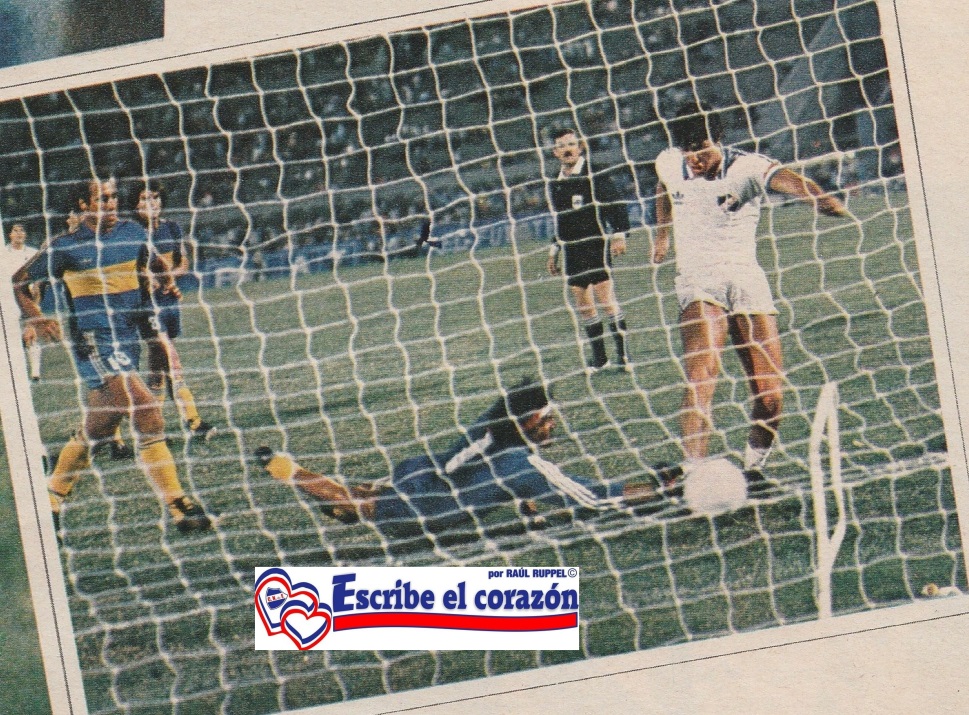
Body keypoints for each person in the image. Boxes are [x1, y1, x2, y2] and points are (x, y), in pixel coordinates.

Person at [652, 103, 850, 494]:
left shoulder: (746, 167)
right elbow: (663, 187)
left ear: (719, 140)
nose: (694, 157)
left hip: (746, 280)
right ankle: (692, 472)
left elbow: (790, 181)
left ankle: (754, 469)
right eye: (688, 149)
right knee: (702, 374)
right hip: (698, 281)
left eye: (702, 147)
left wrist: (821, 200)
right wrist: (661, 236)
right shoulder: (669, 162)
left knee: (770, 395)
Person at [13, 177, 212, 535]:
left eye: (114, 196)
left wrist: (166, 281)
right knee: (146, 408)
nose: (111, 203)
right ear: (83, 204)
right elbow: (19, 282)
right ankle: (178, 504)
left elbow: (153, 261)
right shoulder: (66, 246)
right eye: (102, 198)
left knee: (101, 426)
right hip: (93, 341)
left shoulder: (132, 233)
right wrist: (37, 318)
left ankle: (52, 497)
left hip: (127, 337)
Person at [255, 379, 659, 542]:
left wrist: (530, 509)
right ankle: (286, 469)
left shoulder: (498, 435)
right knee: (353, 500)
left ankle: (305, 478)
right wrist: (661, 489)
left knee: (359, 496)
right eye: (546, 418)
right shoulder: (515, 459)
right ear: (524, 422)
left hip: (420, 473)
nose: (553, 424)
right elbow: (592, 497)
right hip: (426, 506)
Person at [133, 181, 215, 443]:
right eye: (144, 198)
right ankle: (194, 421)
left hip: (169, 302)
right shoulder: (132, 233)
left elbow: (183, 262)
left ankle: (151, 429)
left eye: (155, 197)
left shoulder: (172, 228)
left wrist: (169, 279)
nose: (151, 203)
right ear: (135, 205)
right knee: (171, 359)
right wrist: (149, 280)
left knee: (158, 368)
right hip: (147, 304)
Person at [547, 128, 631, 372]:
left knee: (606, 300)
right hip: (572, 248)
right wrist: (554, 250)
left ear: (580, 147)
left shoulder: (594, 173)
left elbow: (616, 204)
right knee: (583, 304)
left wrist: (619, 235)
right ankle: (600, 360)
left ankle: (624, 356)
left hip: (596, 243)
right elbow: (561, 220)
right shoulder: (556, 182)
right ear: (555, 152)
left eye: (571, 144)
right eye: (562, 146)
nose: (567, 149)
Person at [2, 222, 42, 381]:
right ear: (10, 234)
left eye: (22, 231)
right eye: (15, 230)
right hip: (7, 298)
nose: (19, 233)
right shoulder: (3, 253)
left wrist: (36, 297)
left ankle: (35, 373)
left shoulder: (33, 253)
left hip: (27, 296)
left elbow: (38, 279)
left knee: (30, 332)